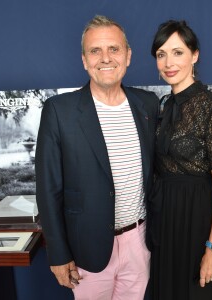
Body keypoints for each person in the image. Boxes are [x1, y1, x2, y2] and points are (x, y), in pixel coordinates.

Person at [35, 15, 159, 300]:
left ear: (128, 56)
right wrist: (58, 253)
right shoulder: (59, 111)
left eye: (114, 49)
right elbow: (48, 189)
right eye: (95, 50)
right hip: (86, 249)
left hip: (139, 242)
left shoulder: (148, 104)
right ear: (84, 59)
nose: (106, 58)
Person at [146, 19, 212, 300]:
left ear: (194, 55)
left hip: (201, 224)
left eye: (178, 52)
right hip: (166, 224)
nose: (168, 62)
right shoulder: (162, 107)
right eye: (161, 54)